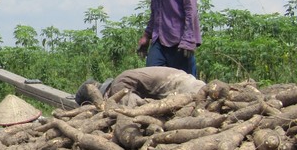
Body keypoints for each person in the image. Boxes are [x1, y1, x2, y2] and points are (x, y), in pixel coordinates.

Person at [76, 66, 205, 108]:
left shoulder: (118, 87)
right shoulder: (123, 78)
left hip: (186, 90)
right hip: (189, 83)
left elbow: (134, 107)